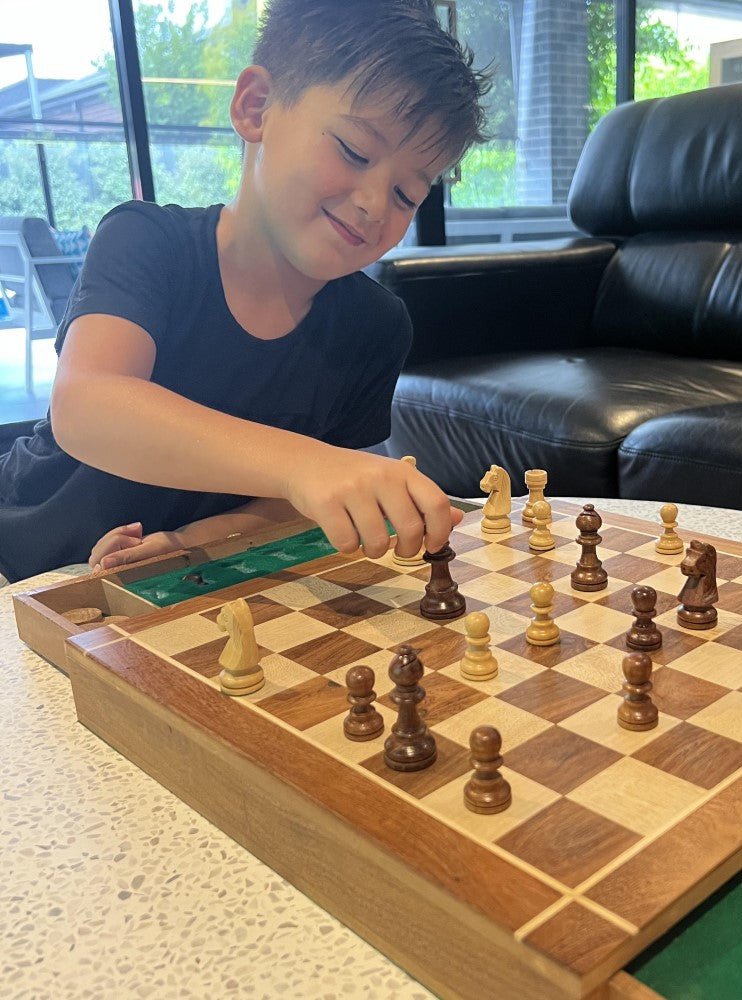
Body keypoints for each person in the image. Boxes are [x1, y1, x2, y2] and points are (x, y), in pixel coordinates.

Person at [0, 0, 490, 583]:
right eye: (354, 152)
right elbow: (87, 404)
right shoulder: (148, 240)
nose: (374, 205)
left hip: (174, 582)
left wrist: (190, 543)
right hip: (27, 556)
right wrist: (307, 463)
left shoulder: (377, 326)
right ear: (256, 107)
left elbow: (291, 502)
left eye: (408, 194)